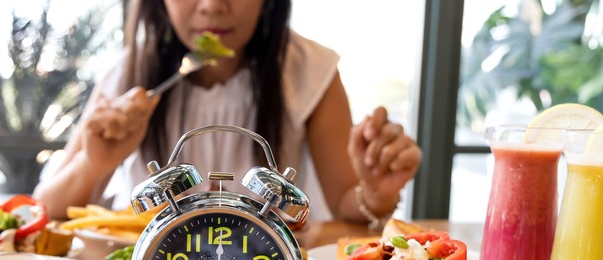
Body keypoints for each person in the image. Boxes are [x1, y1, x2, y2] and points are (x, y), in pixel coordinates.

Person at [34, 0, 422, 228]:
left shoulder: (309, 69)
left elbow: (345, 205)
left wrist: (375, 191)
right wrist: (94, 163)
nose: (212, 6)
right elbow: (45, 209)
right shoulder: (127, 75)